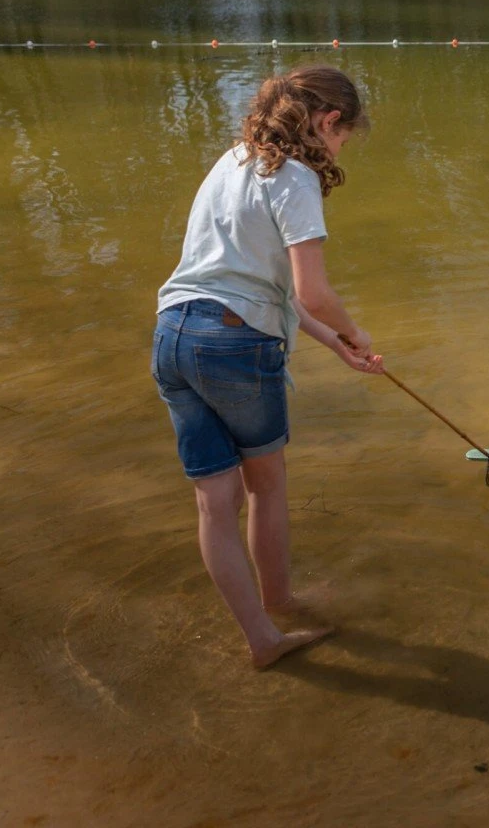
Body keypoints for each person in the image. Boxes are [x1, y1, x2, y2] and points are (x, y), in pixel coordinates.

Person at [152, 65, 385, 669]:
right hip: (233, 347)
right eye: (342, 137)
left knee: (214, 500)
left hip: (174, 335)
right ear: (327, 121)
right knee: (266, 487)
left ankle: (263, 637)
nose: (337, 149)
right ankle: (279, 602)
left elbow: (252, 290)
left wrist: (336, 345)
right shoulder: (297, 177)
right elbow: (310, 292)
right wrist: (355, 329)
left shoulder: (233, 162)